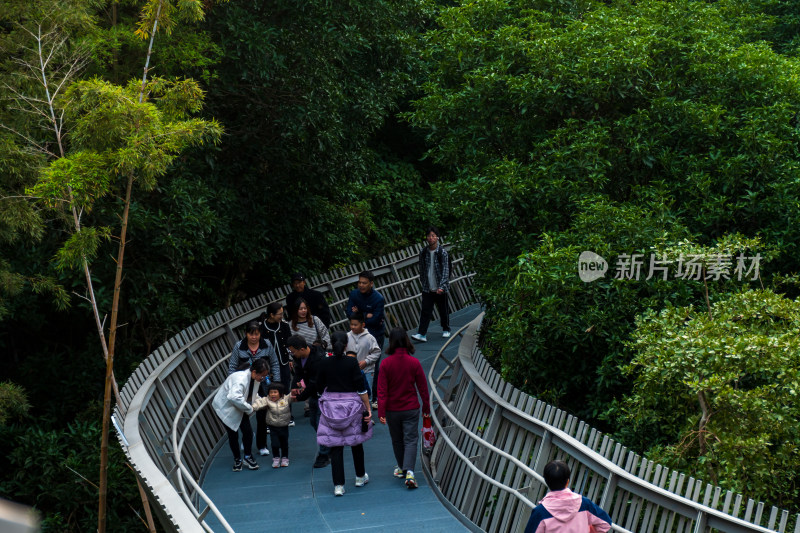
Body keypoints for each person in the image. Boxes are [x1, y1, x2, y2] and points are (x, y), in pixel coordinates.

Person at [311, 331, 372, 496]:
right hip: (352, 406)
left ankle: (338, 485)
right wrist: (368, 407)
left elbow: (318, 385)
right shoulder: (352, 362)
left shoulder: (324, 362)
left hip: (331, 407)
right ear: (347, 345)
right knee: (356, 442)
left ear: (331, 343)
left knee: (335, 447)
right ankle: (360, 476)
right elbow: (360, 387)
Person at [377, 327, 430, 489]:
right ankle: (410, 472)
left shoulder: (385, 363)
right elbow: (422, 387)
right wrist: (426, 408)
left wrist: (381, 411)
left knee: (397, 440)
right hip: (411, 407)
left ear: (391, 342)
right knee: (411, 439)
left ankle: (402, 467)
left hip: (392, 409)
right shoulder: (414, 362)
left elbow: (381, 390)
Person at [227, 321, 280, 457]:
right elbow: (232, 367)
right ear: (246, 334)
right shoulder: (239, 346)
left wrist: (276, 384)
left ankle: (262, 445)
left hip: (263, 384)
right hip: (245, 384)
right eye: (251, 334)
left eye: (256, 334)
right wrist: (234, 383)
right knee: (243, 411)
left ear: (260, 334)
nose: (254, 337)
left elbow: (274, 362)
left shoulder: (266, 344)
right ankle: (247, 437)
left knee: (262, 413)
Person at [212, 358, 270, 472]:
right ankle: (237, 459)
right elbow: (234, 397)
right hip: (225, 408)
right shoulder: (240, 379)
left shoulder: (254, 379)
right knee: (232, 434)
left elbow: (253, 394)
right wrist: (250, 408)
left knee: (247, 432)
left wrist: (263, 401)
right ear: (254, 372)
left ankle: (247, 456)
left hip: (238, 406)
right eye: (262, 376)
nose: (262, 379)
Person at [524, 460, 613, 533]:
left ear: (546, 481)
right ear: (567, 481)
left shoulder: (540, 512)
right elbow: (606, 523)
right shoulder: (584, 504)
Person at [287, 334, 331, 468]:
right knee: (313, 422)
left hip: (323, 393)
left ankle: (324, 454)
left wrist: (300, 397)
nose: (292, 354)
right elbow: (298, 372)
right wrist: (294, 387)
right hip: (313, 394)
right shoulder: (299, 357)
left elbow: (314, 383)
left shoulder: (318, 359)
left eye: (293, 351)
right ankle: (329, 443)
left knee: (320, 423)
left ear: (301, 349)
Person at [345, 270, 385, 408]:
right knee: (353, 363)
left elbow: (376, 319)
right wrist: (364, 315)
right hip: (355, 334)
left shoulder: (378, 298)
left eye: (364, 283)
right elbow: (349, 312)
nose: (361, 285)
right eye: (359, 282)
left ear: (371, 284)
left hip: (374, 335)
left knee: (374, 366)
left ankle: (375, 397)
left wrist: (358, 314)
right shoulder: (354, 294)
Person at [411, 226, 451, 342]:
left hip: (440, 287)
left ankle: (446, 329)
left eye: (433, 235)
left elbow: (445, 270)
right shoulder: (423, 252)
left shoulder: (442, 252)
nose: (431, 238)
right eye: (429, 236)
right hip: (428, 287)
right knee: (425, 310)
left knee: (443, 309)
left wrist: (442, 286)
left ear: (437, 237)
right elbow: (422, 269)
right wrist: (423, 283)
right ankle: (421, 333)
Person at [259, 302, 295, 426]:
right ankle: (271, 419)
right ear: (271, 315)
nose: (281, 316)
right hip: (268, 366)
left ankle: (287, 415)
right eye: (279, 314)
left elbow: (290, 344)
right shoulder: (261, 328)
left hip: (283, 362)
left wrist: (290, 359)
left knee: (285, 388)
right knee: (269, 390)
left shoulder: (284, 326)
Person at [253, 383, 293, 468]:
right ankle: (276, 458)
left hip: (284, 426)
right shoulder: (267, 400)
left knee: (284, 443)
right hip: (273, 426)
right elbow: (259, 403)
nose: (272, 394)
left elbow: (292, 395)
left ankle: (285, 457)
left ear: (281, 393)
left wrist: (295, 392)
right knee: (275, 443)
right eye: (271, 392)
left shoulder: (285, 399)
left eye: (275, 392)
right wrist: (251, 408)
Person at [346, 312, 381, 400]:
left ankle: (368, 412)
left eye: (355, 325)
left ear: (363, 324)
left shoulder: (370, 338)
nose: (353, 327)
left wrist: (366, 361)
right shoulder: (347, 336)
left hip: (367, 370)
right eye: (351, 324)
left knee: (367, 394)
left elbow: (377, 352)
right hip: (351, 372)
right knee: (354, 395)